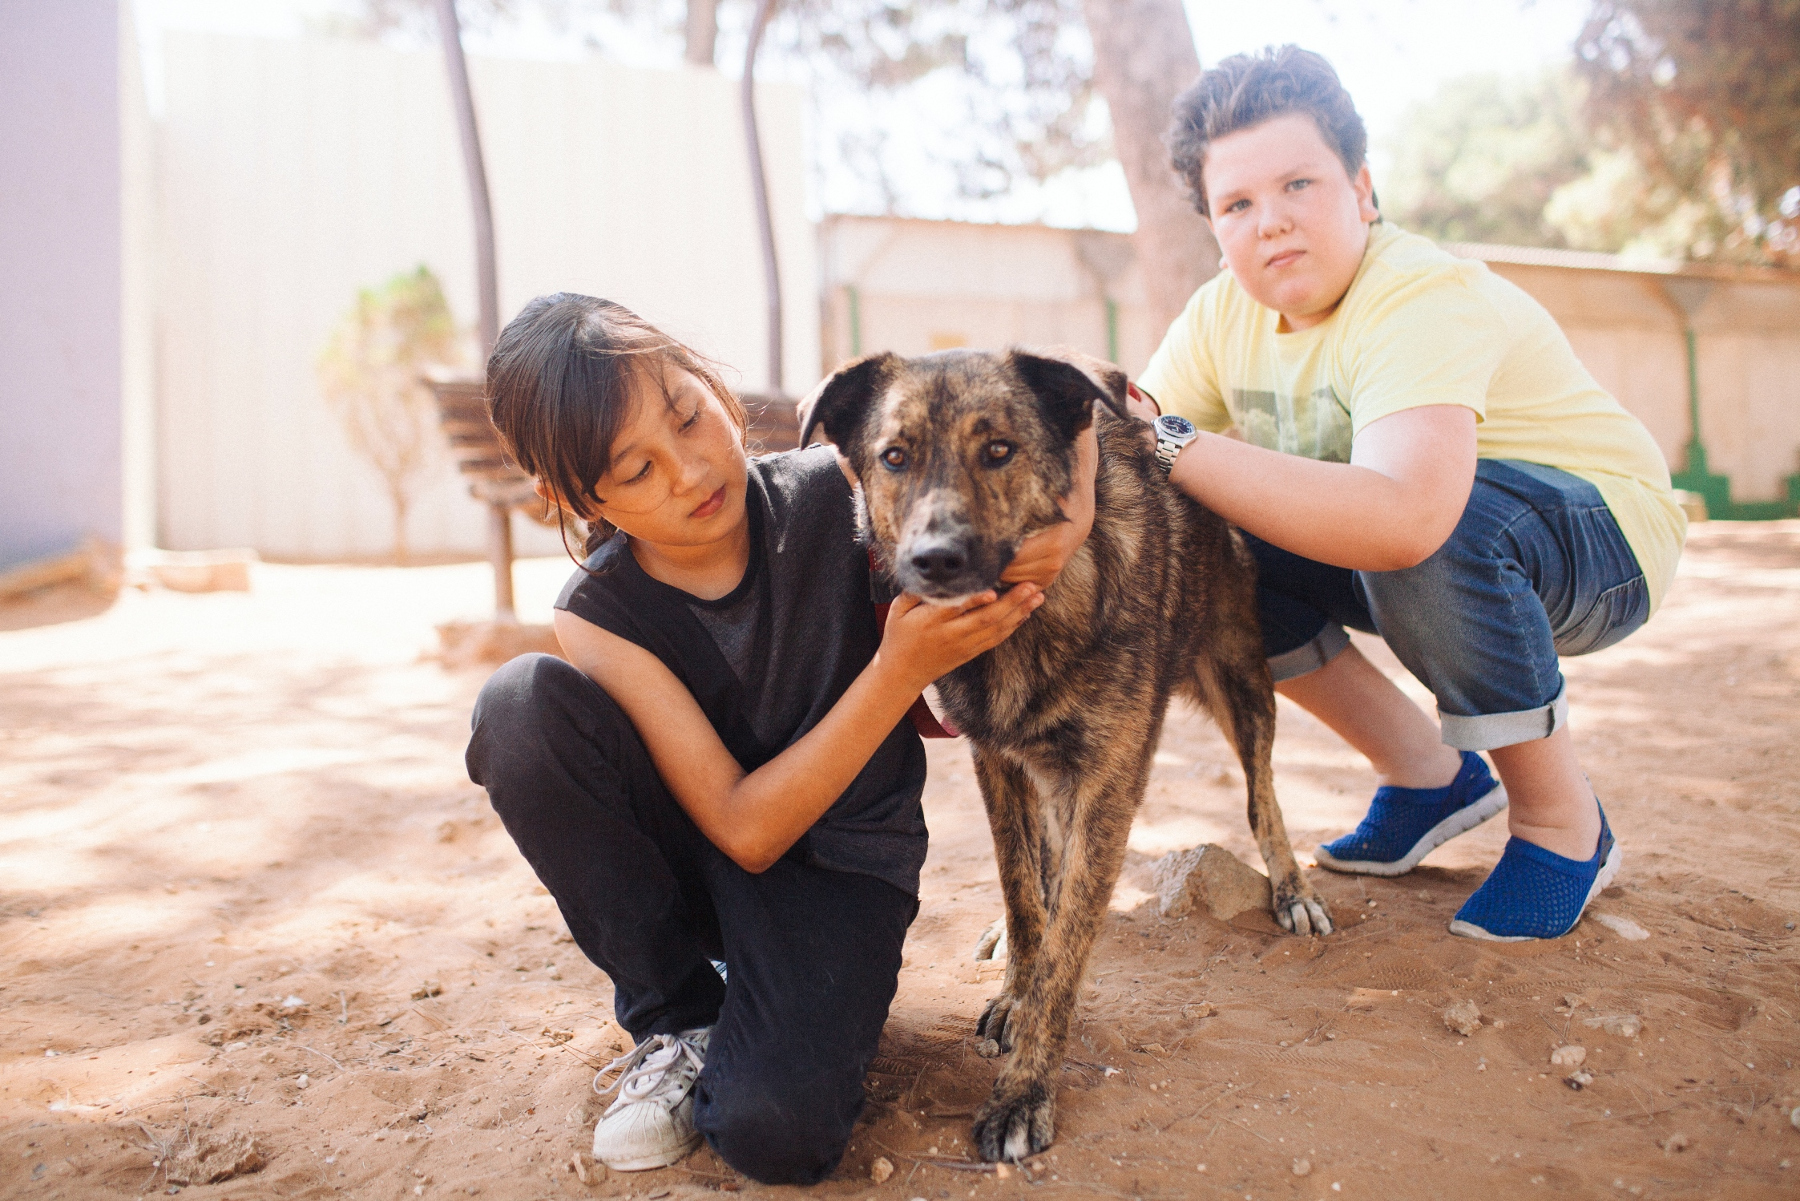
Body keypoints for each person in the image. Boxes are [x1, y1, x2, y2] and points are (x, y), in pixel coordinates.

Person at [463, 295, 1093, 1183]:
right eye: (635, 470)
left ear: (714, 387)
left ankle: (771, 1009)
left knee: (773, 1136)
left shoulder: (845, 490)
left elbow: (1064, 399)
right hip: (714, 843)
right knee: (520, 703)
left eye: (687, 418)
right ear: (573, 497)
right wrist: (896, 669)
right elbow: (742, 826)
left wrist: (1084, 489)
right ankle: (678, 1017)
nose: (687, 472)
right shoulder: (597, 613)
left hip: (841, 869)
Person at [1129, 46, 1685, 942]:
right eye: (1237, 204)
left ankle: (1562, 825)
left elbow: (1404, 514)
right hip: (1429, 546)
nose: (1271, 222)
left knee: (1433, 530)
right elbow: (1139, 448)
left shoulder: (1418, 290)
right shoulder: (1218, 317)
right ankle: (1428, 774)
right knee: (1199, 546)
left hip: (1603, 538)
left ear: (1362, 190)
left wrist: (1163, 441)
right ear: (1214, 226)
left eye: (1300, 184)